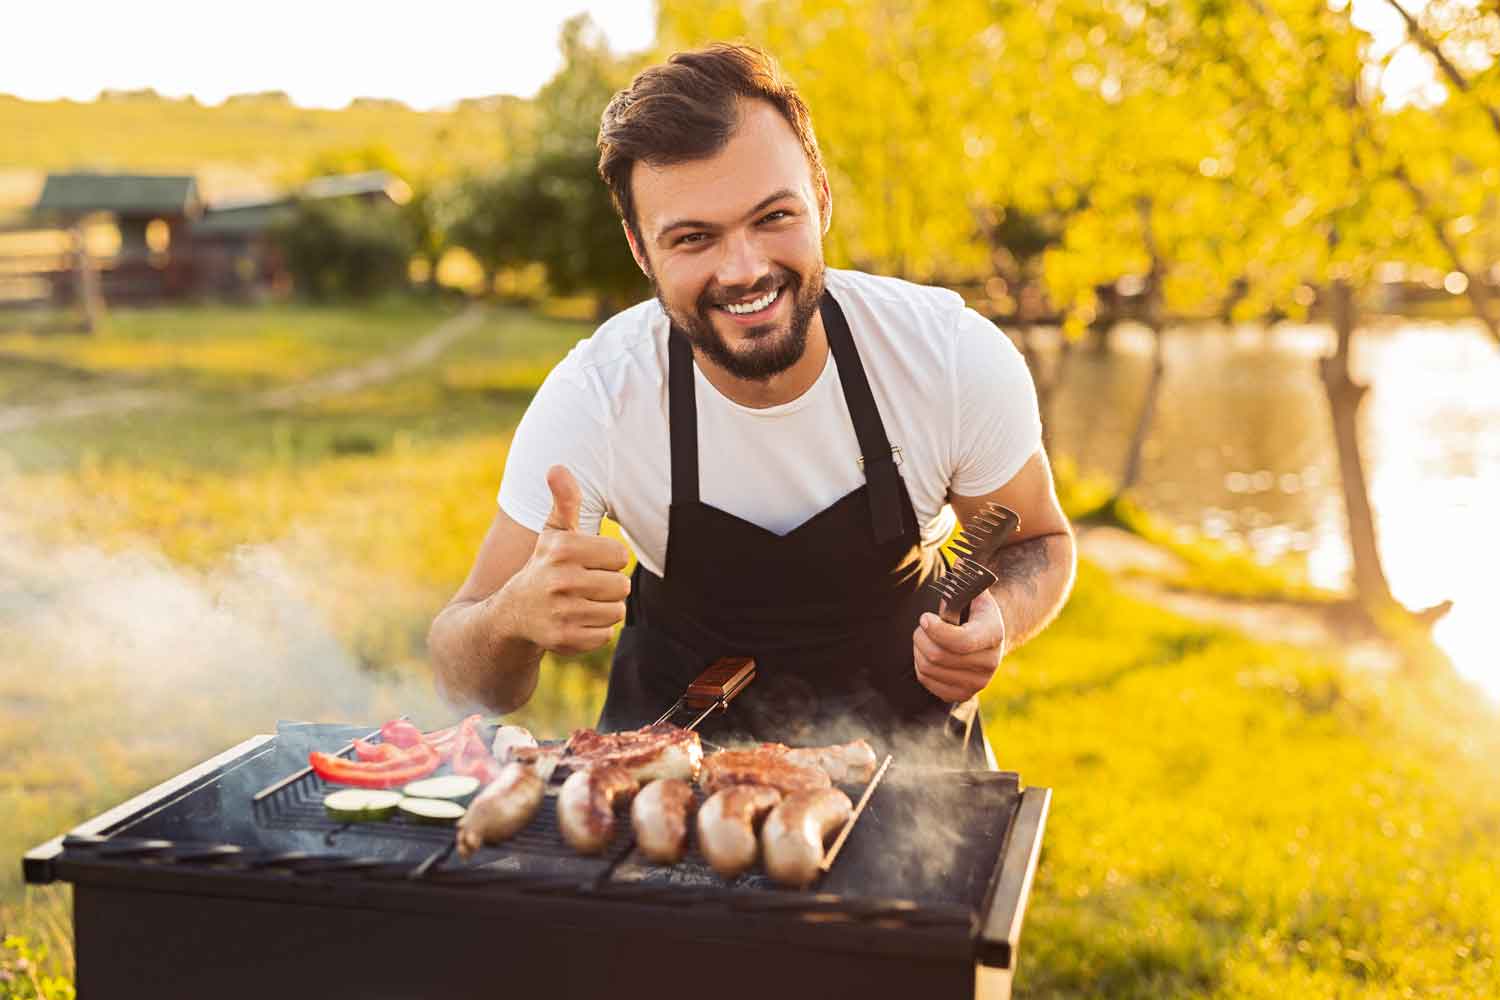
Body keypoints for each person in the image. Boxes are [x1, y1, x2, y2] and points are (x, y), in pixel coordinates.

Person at [428, 43, 1075, 765]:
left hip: (905, 781)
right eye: (694, 238)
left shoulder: (946, 356)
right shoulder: (598, 396)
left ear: (821, 198)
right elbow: (465, 668)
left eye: (772, 217)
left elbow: (1038, 543)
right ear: (641, 250)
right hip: (665, 783)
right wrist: (514, 619)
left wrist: (999, 619)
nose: (744, 271)